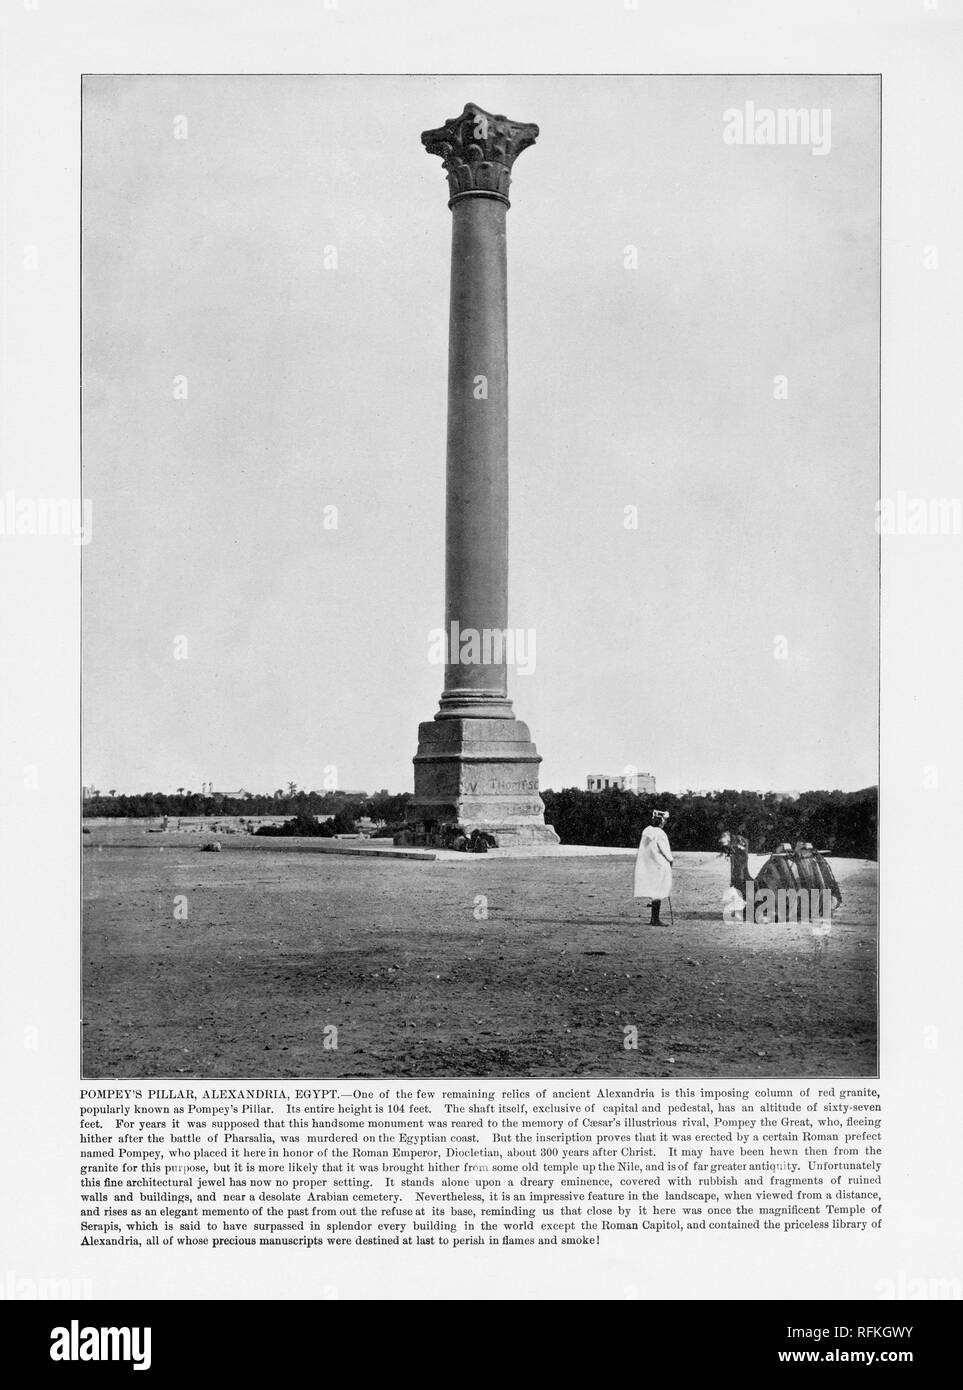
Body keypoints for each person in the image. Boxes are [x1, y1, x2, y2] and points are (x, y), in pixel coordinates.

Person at [634, 809, 673, 925]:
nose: (664, 822)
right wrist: (671, 861)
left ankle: (653, 918)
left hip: (649, 865)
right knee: (659, 891)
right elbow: (666, 851)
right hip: (659, 865)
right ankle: (655, 919)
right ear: (660, 820)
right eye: (664, 820)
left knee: (654, 890)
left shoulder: (646, 831)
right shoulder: (660, 834)